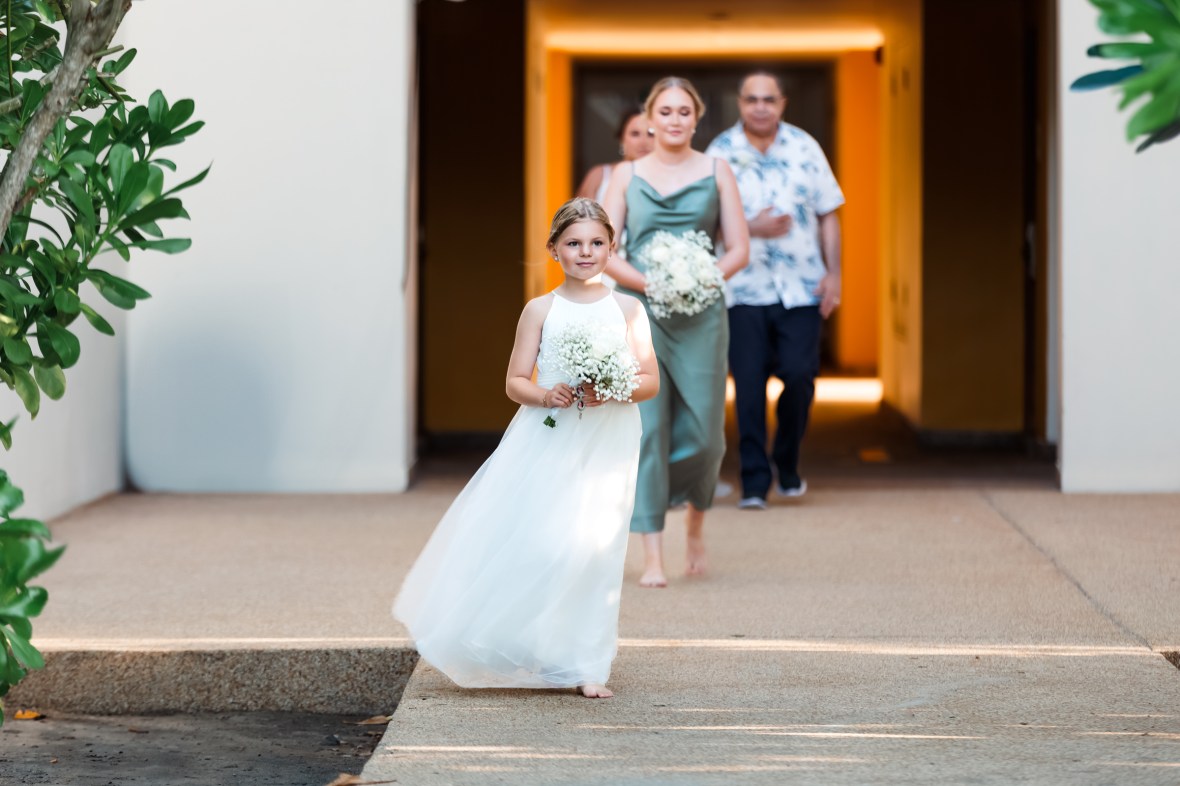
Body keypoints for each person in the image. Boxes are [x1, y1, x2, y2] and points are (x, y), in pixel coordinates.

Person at [393, 198, 659, 699]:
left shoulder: (628, 308)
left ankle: (587, 663)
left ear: (611, 247)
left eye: (596, 243)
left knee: (596, 544)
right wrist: (545, 393)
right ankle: (531, 642)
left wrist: (613, 388)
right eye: (574, 243)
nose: (586, 252)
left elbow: (649, 380)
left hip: (609, 436)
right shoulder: (540, 309)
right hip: (551, 433)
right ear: (554, 249)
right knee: (544, 539)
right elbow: (515, 380)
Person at [602, 76, 749, 588]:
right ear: (649, 117)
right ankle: (654, 556)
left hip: (703, 312)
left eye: (684, 112)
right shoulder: (626, 174)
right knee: (649, 431)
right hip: (643, 313)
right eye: (665, 111)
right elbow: (606, 249)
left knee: (707, 435)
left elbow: (738, 249)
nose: (674, 120)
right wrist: (652, 284)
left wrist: (700, 278)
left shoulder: (717, 170)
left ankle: (696, 524)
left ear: (697, 116)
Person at [705, 71, 844, 510]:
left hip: (802, 287)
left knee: (800, 376)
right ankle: (753, 483)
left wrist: (835, 273)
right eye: (751, 99)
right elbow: (704, 219)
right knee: (748, 386)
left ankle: (787, 460)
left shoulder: (805, 147)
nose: (760, 106)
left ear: (783, 103)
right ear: (740, 103)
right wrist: (751, 227)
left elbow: (828, 213)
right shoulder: (720, 153)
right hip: (742, 288)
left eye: (769, 99)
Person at [576, 107, 654, 203]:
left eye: (651, 134)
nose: (643, 142)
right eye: (635, 134)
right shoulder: (599, 176)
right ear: (621, 139)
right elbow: (578, 216)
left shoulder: (667, 179)